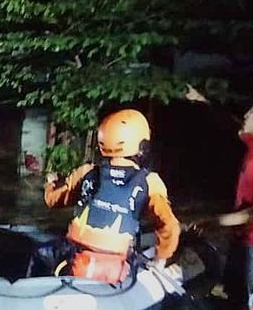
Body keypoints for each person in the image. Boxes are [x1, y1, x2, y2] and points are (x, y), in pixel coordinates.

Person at [44, 109, 181, 283]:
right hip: (116, 269)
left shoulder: (86, 172)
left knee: (45, 252)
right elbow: (170, 226)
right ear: (142, 145)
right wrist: (160, 259)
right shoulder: (150, 182)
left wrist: (50, 183)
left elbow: (52, 201)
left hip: (74, 261)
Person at [219, 103, 253, 310]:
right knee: (238, 292)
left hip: (252, 237)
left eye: (252, 113)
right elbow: (233, 122)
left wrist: (215, 221)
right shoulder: (251, 144)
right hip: (243, 234)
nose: (246, 114)